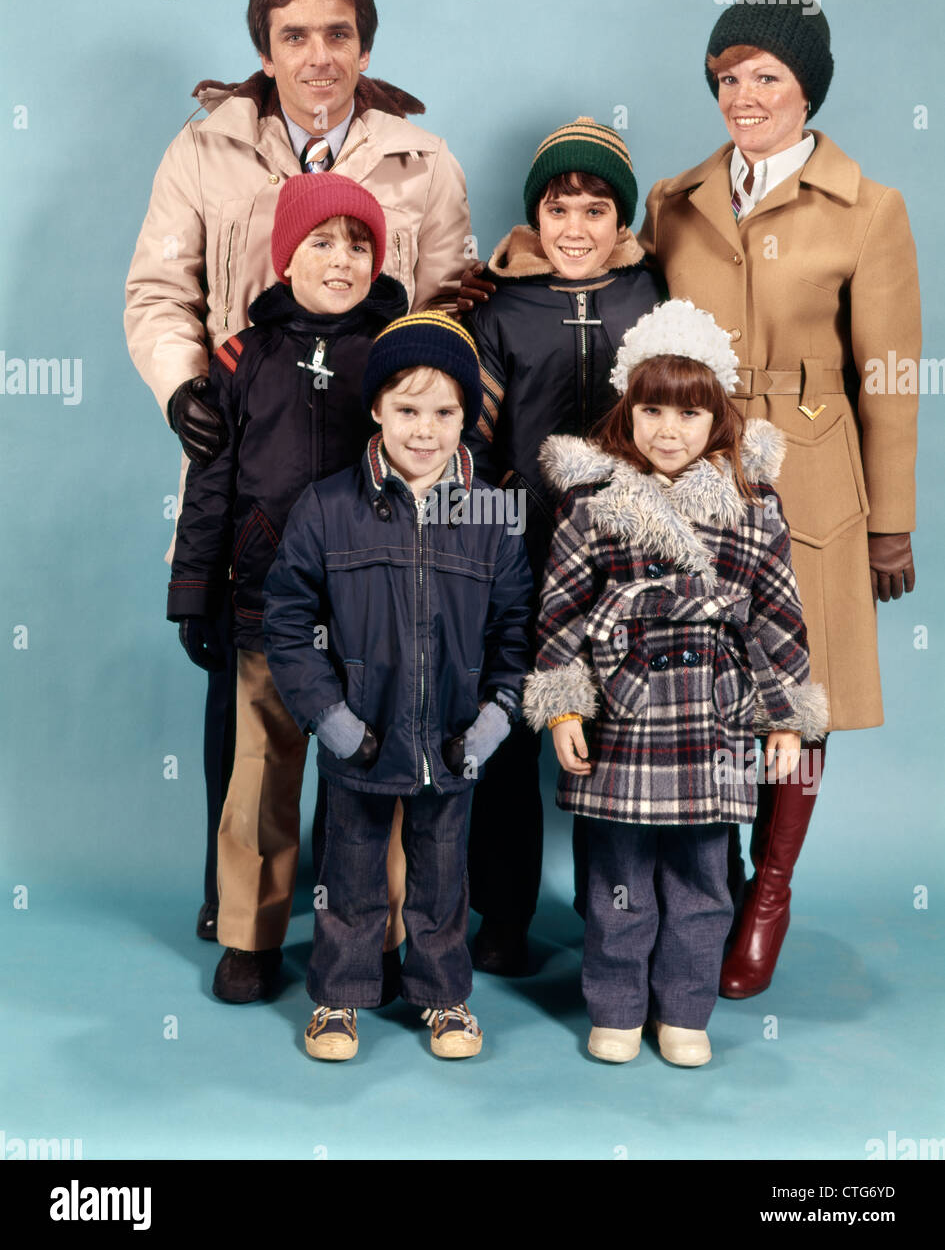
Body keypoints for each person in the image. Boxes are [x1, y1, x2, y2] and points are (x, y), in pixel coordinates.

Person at [125, 0, 471, 940]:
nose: (318, 54)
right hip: (254, 456)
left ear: (364, 46)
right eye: (295, 36)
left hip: (374, 472)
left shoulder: (421, 157)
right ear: (265, 51)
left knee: (379, 681)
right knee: (252, 690)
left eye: (339, 33)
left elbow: (449, 300)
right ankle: (240, 897)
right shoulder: (206, 148)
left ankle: (364, 909)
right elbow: (158, 289)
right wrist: (186, 387)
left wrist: (429, 425)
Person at [638, 0, 921, 997]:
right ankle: (708, 879)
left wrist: (892, 522)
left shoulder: (870, 209)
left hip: (815, 480)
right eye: (726, 77)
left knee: (804, 696)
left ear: (808, 88)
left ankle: (770, 889)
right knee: (706, 684)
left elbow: (888, 372)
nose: (742, 96)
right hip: (696, 475)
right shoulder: (675, 199)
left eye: (765, 76)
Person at [523, 300, 828, 1065]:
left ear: (718, 418)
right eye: (651, 409)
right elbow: (559, 612)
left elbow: (777, 616)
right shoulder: (591, 505)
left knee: (700, 881)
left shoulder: (754, 508)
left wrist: (785, 719)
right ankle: (618, 1006)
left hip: (712, 715)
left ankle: (684, 1012)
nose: (668, 430)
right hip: (626, 714)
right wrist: (563, 708)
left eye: (689, 414)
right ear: (626, 412)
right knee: (616, 881)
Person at [262, 313, 533, 1060]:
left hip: (452, 743)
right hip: (362, 739)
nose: (425, 430)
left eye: (445, 412)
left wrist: (497, 715)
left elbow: (516, 631)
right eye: (407, 410)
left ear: (466, 418)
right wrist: (329, 717)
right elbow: (286, 625)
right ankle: (338, 1000)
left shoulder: (491, 515)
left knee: (443, 880)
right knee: (349, 877)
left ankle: (443, 997)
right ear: (376, 409)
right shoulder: (328, 507)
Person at [167, 173, 408, 1002]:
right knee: (262, 771)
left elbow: (431, 463)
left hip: (371, 607)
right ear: (286, 254)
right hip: (267, 603)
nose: (340, 261)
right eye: (321, 242)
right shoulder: (243, 356)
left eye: (358, 245)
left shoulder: (397, 348)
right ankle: (249, 936)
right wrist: (194, 590)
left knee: (372, 776)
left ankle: (377, 934)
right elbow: (211, 482)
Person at [461, 117, 662, 973]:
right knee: (508, 737)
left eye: (593, 208)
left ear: (620, 219)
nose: (574, 228)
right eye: (556, 208)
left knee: (616, 741)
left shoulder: (650, 298)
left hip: (627, 563)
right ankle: (501, 912)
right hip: (525, 555)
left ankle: (613, 918)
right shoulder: (501, 309)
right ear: (533, 219)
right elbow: (474, 441)